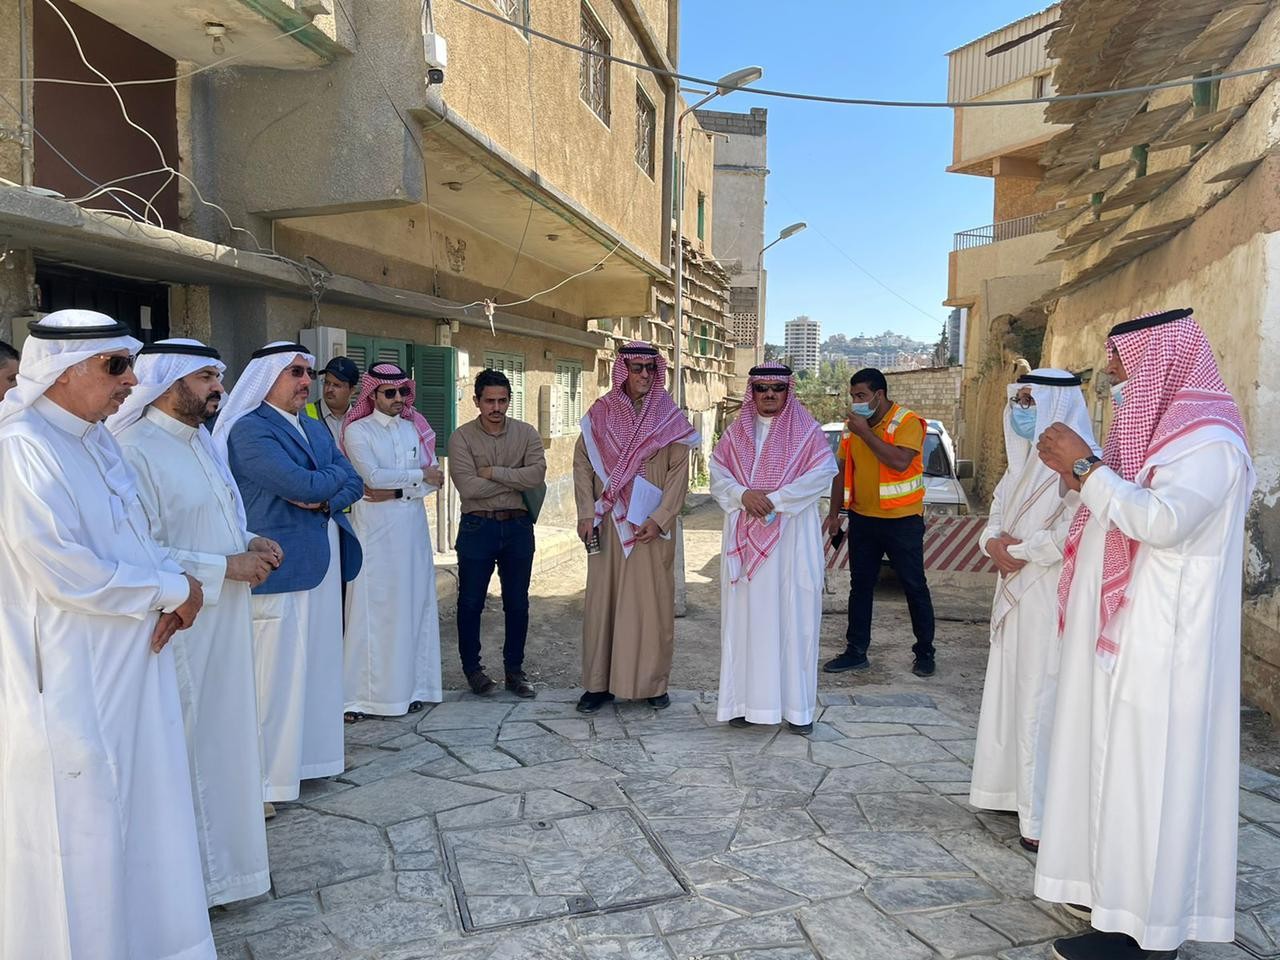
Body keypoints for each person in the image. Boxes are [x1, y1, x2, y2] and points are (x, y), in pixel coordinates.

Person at [1033, 308, 1253, 960]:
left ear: (1163, 359)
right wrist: (1086, 474)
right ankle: (1117, 907)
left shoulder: (1209, 442)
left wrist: (1085, 470)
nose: (1112, 374)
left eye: (1121, 360)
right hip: (1133, 639)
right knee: (1120, 776)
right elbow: (1124, 504)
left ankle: (1146, 936)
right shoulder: (1170, 436)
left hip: (1167, 645)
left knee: (1152, 781)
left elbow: (1161, 522)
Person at [0, 310, 214, 960]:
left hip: (134, 668)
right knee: (83, 836)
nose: (131, 381)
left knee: (145, 821)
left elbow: (139, 538)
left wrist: (178, 586)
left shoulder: (96, 440)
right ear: (62, 372)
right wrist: (172, 590)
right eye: (116, 366)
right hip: (73, 681)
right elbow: (64, 569)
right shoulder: (21, 447)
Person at [108, 338, 282, 907]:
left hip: (225, 622)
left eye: (218, 377)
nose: (218, 388)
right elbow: (141, 550)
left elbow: (214, 519)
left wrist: (249, 541)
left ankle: (231, 874)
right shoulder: (133, 450)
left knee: (226, 744)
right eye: (206, 377)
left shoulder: (201, 442)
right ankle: (192, 888)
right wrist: (225, 566)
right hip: (182, 629)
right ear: (169, 382)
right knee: (190, 749)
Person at [214, 342, 364, 804]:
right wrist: (323, 486)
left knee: (317, 668)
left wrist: (321, 497)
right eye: (294, 372)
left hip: (320, 562)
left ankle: (311, 762)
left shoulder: (313, 427)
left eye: (307, 373)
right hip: (278, 566)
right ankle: (266, 782)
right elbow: (300, 483)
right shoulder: (249, 430)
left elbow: (352, 481)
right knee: (274, 677)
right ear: (267, 378)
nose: (305, 381)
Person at [969, 369, 1099, 853]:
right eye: (1018, 402)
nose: (1022, 412)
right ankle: (1007, 792)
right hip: (1015, 591)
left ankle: (1039, 815)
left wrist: (1018, 552)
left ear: (1056, 406)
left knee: (1039, 700)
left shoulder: (1087, 465)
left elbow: (1075, 530)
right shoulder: (1020, 462)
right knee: (1011, 693)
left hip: (1052, 597)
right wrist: (992, 544)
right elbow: (996, 513)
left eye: (1031, 402)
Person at [710, 363, 836, 735]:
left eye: (776, 388)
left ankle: (797, 710)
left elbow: (821, 474)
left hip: (792, 541)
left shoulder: (807, 433)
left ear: (787, 391)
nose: (768, 394)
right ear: (752, 391)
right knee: (744, 622)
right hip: (744, 542)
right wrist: (742, 495)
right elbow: (718, 474)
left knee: (794, 622)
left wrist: (774, 501)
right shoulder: (735, 434)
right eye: (761, 387)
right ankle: (742, 704)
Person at [573, 342, 699, 714]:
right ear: (623, 370)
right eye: (637, 367)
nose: (645, 374)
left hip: (649, 528)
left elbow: (678, 474)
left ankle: (651, 685)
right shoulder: (600, 413)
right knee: (603, 603)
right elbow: (582, 464)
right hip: (608, 522)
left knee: (651, 606)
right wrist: (585, 513)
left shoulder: (669, 417)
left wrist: (660, 518)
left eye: (650, 368)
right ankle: (598, 685)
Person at [340, 362, 445, 720]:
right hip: (376, 534)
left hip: (412, 532)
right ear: (372, 394)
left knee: (411, 606)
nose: (398, 398)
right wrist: (416, 478)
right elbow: (372, 477)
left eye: (403, 391)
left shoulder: (413, 428)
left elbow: (434, 481)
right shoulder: (358, 431)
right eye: (390, 392)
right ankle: (361, 698)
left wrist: (400, 489)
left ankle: (411, 689)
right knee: (374, 610)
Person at [821, 367, 936, 677]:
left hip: (903, 521)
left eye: (861, 395)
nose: (856, 402)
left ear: (879, 394)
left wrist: (866, 434)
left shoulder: (906, 422)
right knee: (860, 587)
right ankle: (856, 651)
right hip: (863, 520)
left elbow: (899, 462)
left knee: (914, 586)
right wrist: (834, 514)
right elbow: (841, 470)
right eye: (853, 396)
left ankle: (925, 652)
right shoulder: (852, 429)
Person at [447, 368, 547, 699]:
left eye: (502, 400)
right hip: (478, 527)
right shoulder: (461, 438)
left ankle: (514, 671)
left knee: (517, 602)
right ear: (476, 401)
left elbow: (536, 476)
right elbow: (468, 487)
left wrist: (491, 472)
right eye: (489, 401)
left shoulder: (526, 433)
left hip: (518, 527)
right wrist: (514, 479)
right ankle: (473, 671)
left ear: (509, 400)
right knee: (470, 602)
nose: (496, 407)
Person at [304, 355, 360, 442]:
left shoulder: (361, 418)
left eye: (336, 385)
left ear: (352, 390)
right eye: (326, 382)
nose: (329, 389)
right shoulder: (304, 415)